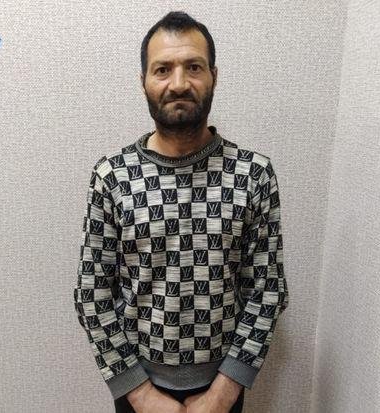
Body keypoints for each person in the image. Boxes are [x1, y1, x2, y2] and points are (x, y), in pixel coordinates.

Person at [73, 10, 289, 413]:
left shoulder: (253, 174)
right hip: (137, 393)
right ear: (143, 81)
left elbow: (268, 290)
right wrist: (141, 394)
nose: (178, 83)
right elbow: (91, 293)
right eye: (163, 69)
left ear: (214, 76)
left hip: (222, 393)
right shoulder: (112, 176)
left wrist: (222, 395)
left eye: (193, 67)